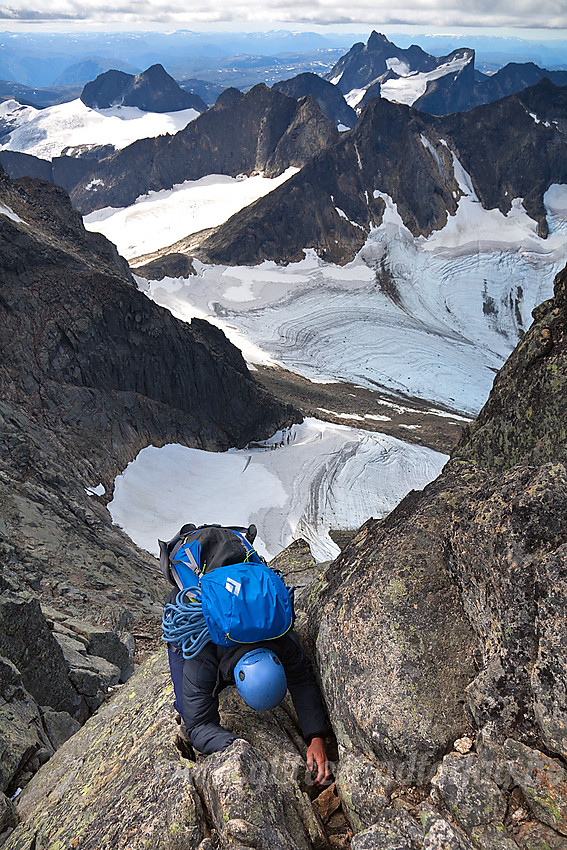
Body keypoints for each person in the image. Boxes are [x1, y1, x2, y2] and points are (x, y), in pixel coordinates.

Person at [161, 523, 330, 785]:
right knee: (186, 708)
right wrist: (237, 746)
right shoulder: (204, 653)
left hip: (244, 601)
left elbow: (301, 678)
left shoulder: (278, 634)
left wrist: (316, 737)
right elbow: (198, 727)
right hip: (204, 608)